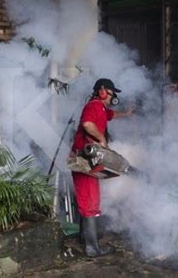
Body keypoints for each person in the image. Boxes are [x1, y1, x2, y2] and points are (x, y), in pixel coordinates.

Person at [71, 78, 133, 257]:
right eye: (111, 93)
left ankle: (87, 239)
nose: (112, 98)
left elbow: (111, 115)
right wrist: (102, 139)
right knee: (89, 202)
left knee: (91, 200)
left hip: (90, 162)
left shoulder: (102, 108)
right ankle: (92, 248)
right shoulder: (95, 105)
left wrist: (127, 114)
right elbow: (87, 124)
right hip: (84, 161)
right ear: (103, 91)